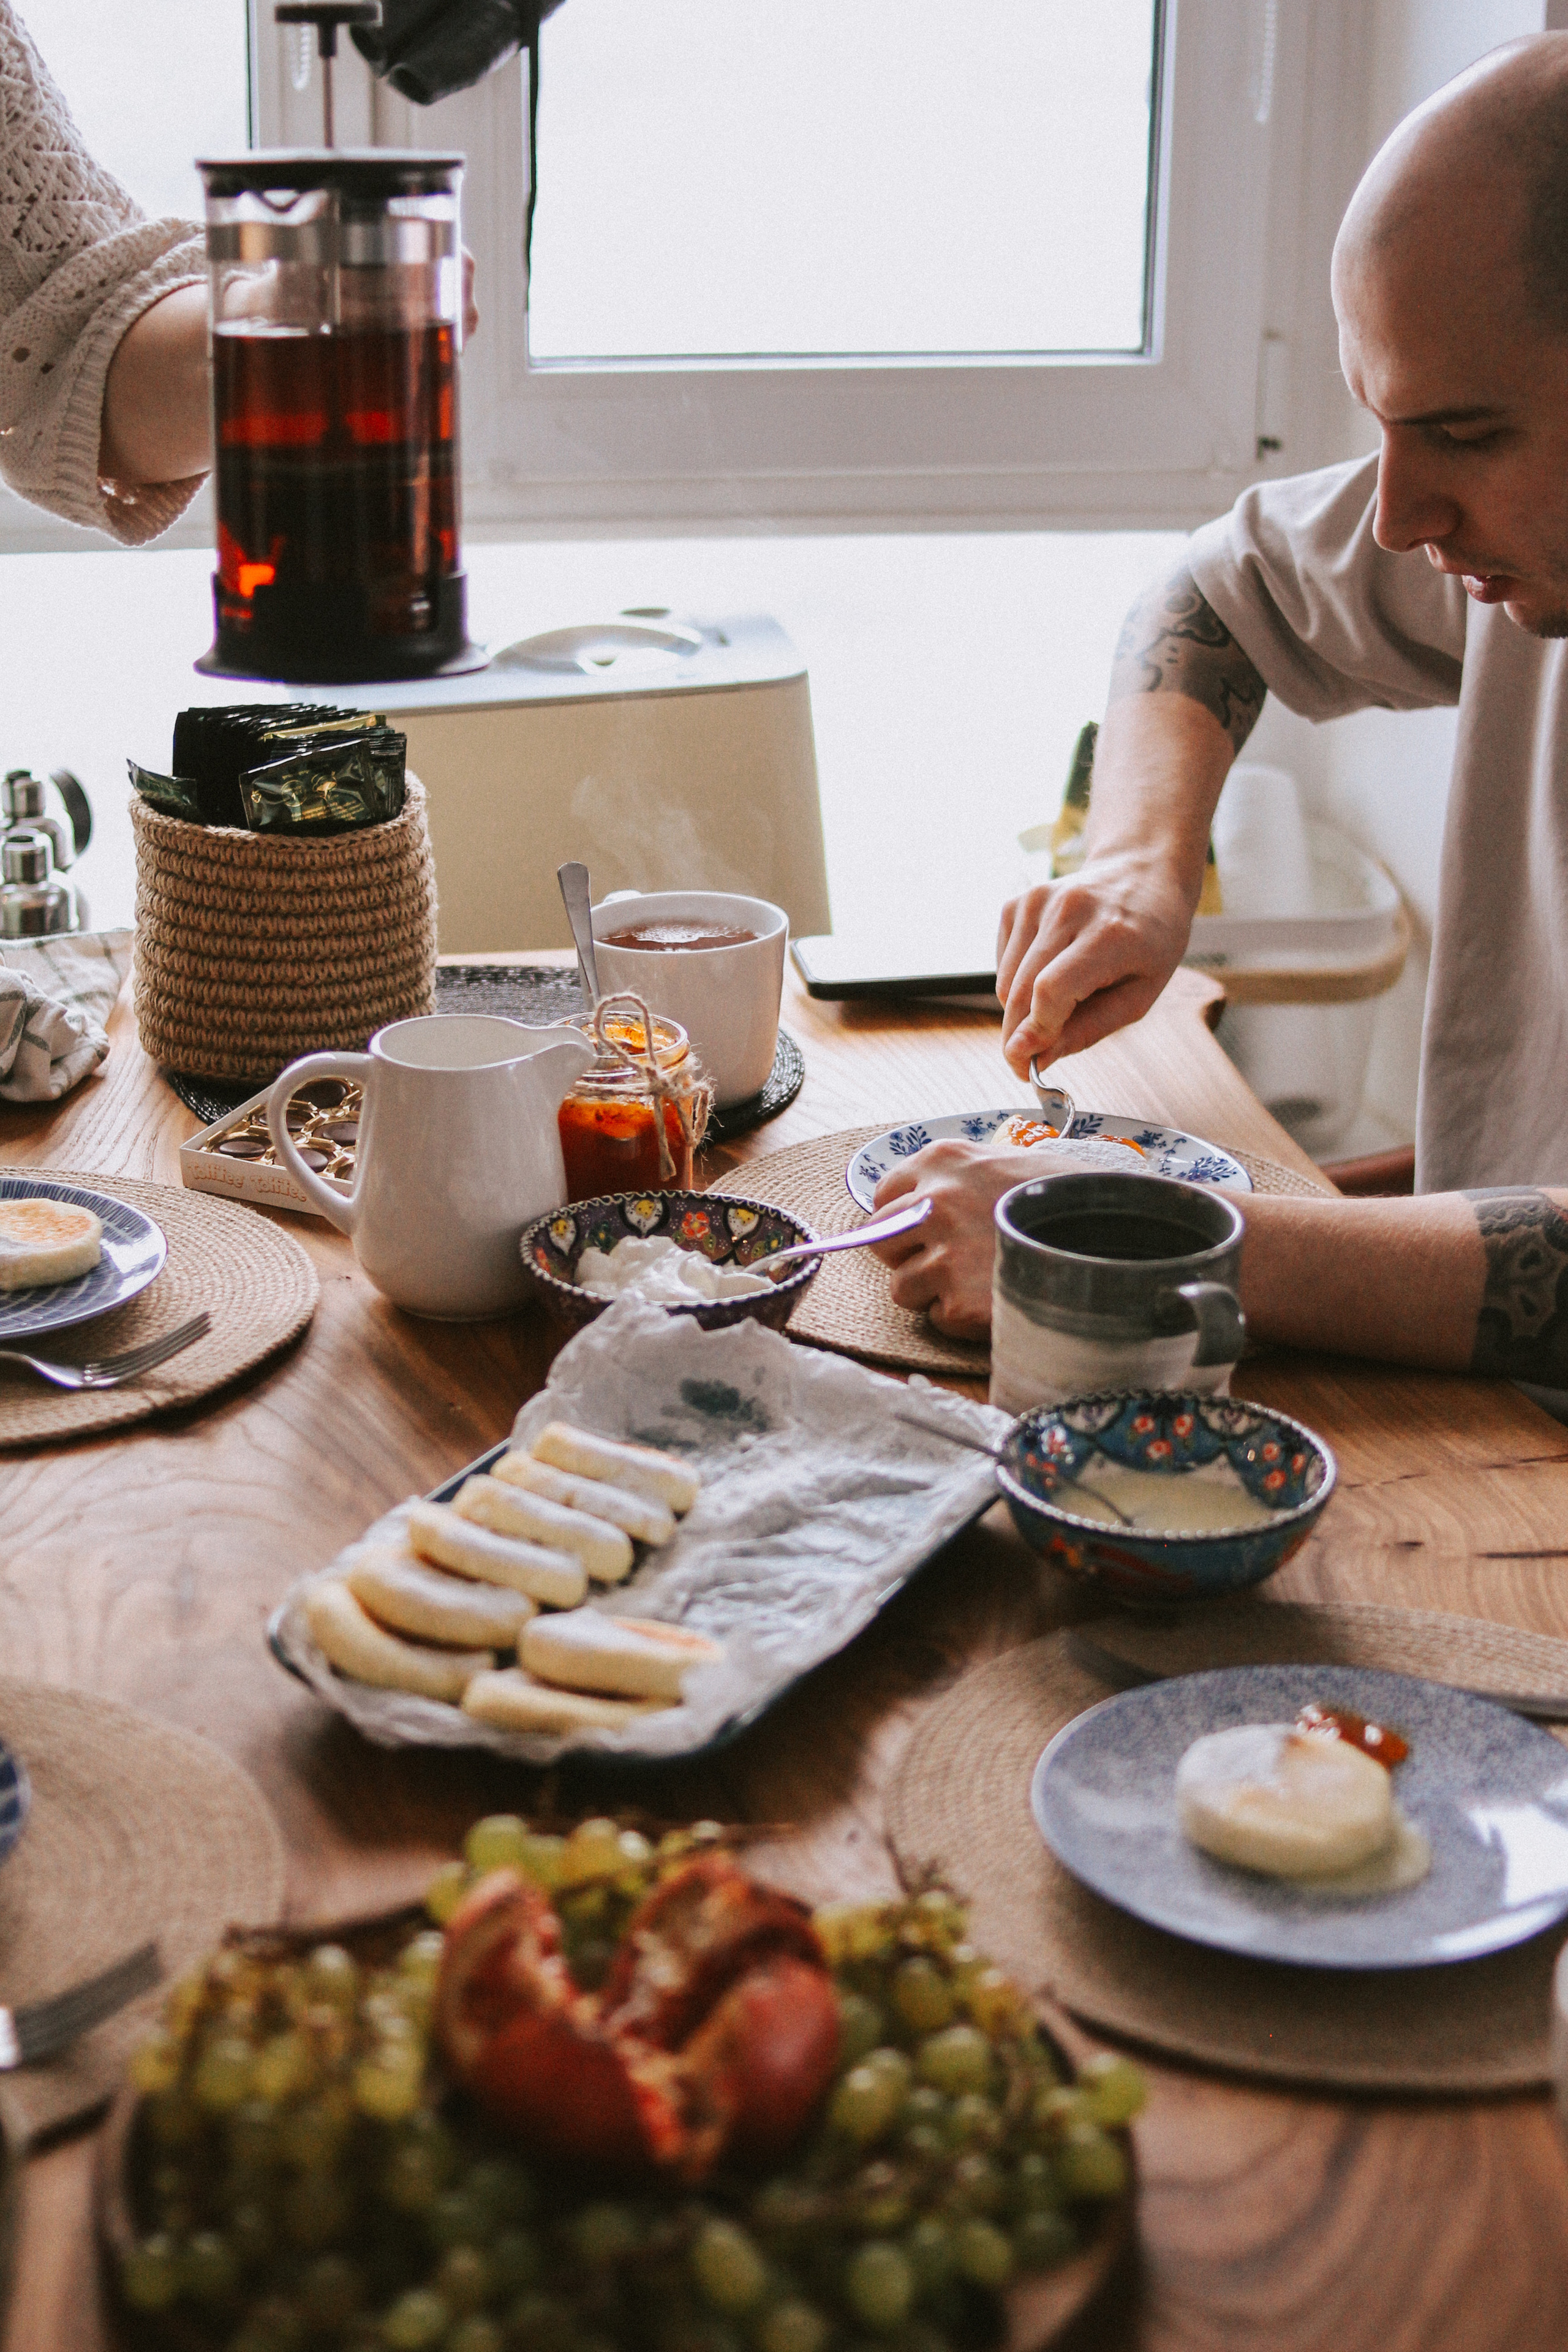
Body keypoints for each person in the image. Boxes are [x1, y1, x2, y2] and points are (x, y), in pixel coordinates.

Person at [872, 34, 1568, 1395]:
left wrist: (1146, 1239)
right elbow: (1211, 595)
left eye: (1465, 436)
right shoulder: (1508, 542)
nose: (1397, 517)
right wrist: (1140, 866)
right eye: (1382, 424)